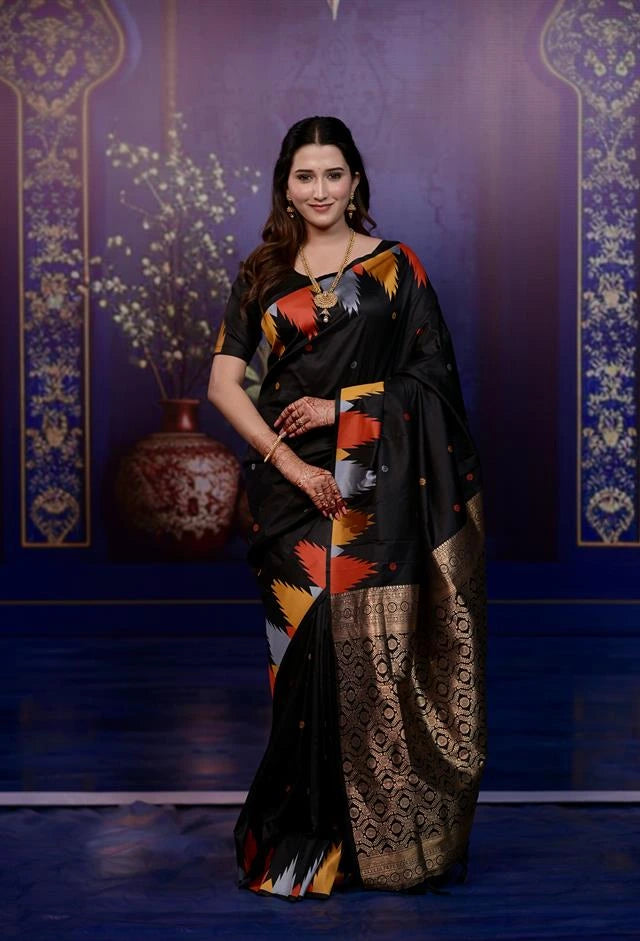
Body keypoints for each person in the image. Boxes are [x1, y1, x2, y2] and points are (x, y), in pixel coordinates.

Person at [208, 115, 487, 900]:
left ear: (355, 181)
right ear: (285, 185)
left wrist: (342, 409)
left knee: (374, 668)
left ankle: (379, 846)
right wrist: (290, 461)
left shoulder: (398, 269)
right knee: (300, 670)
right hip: (287, 496)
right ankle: (303, 847)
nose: (321, 190)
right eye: (305, 176)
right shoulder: (261, 273)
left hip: (380, 486)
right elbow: (226, 383)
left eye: (334, 174)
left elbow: (435, 385)